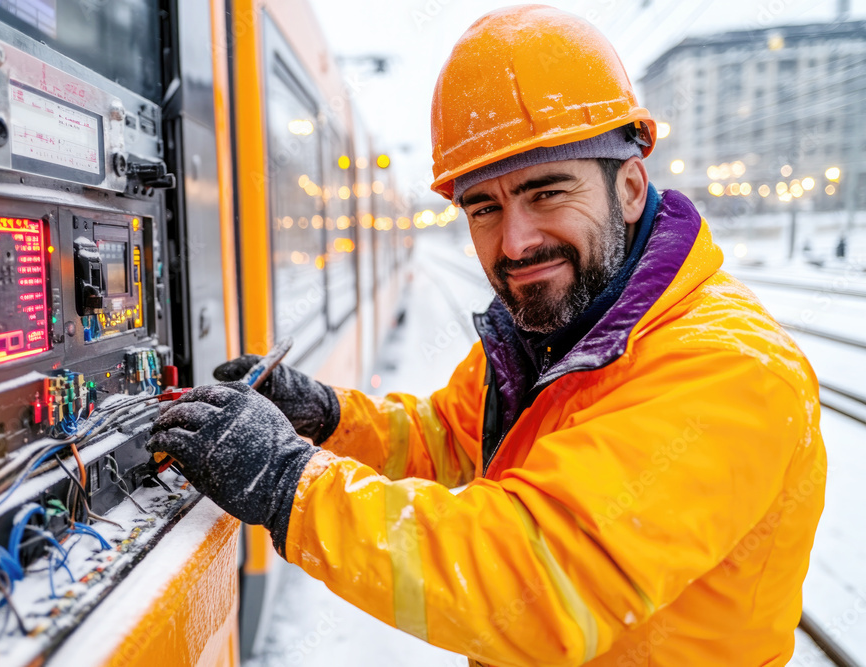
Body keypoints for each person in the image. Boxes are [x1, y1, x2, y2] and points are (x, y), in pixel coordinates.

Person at [148, 6, 826, 666]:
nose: (515, 241)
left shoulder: (730, 367)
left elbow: (535, 580)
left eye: (546, 192)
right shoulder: (552, 330)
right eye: (485, 208)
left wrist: (289, 484)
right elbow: (448, 442)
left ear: (629, 185)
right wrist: (328, 419)